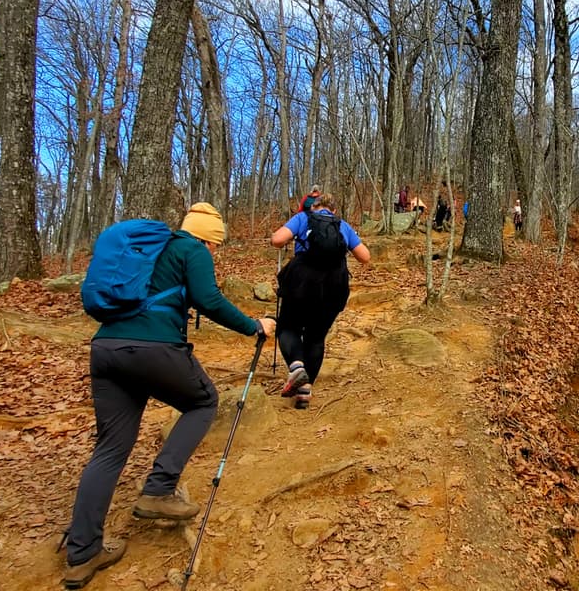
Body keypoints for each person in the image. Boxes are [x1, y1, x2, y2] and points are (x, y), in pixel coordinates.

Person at [62, 203, 275, 590]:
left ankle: (82, 552)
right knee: (203, 401)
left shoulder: (151, 252)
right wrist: (253, 325)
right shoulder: (190, 249)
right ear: (207, 237)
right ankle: (159, 489)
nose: (213, 251)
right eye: (216, 244)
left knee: (109, 450)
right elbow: (208, 299)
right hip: (153, 348)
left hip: (107, 349)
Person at [271, 194, 371, 409]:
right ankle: (305, 392)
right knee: (315, 337)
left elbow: (277, 240)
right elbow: (365, 257)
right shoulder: (341, 225)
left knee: (288, 327)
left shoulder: (302, 218)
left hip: (301, 282)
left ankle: (297, 367)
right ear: (334, 210)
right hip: (334, 286)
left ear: (314, 206)